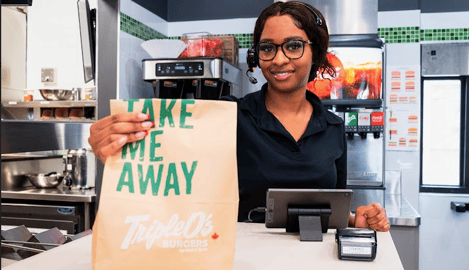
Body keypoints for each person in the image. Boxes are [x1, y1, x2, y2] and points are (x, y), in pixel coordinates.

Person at [88, 1, 389, 232]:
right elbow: (166, 160)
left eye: (294, 46)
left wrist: (354, 218)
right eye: (267, 48)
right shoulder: (230, 116)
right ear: (256, 58)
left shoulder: (334, 128)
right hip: (240, 257)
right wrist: (118, 148)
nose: (279, 59)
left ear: (317, 53)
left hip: (311, 259)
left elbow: (330, 208)